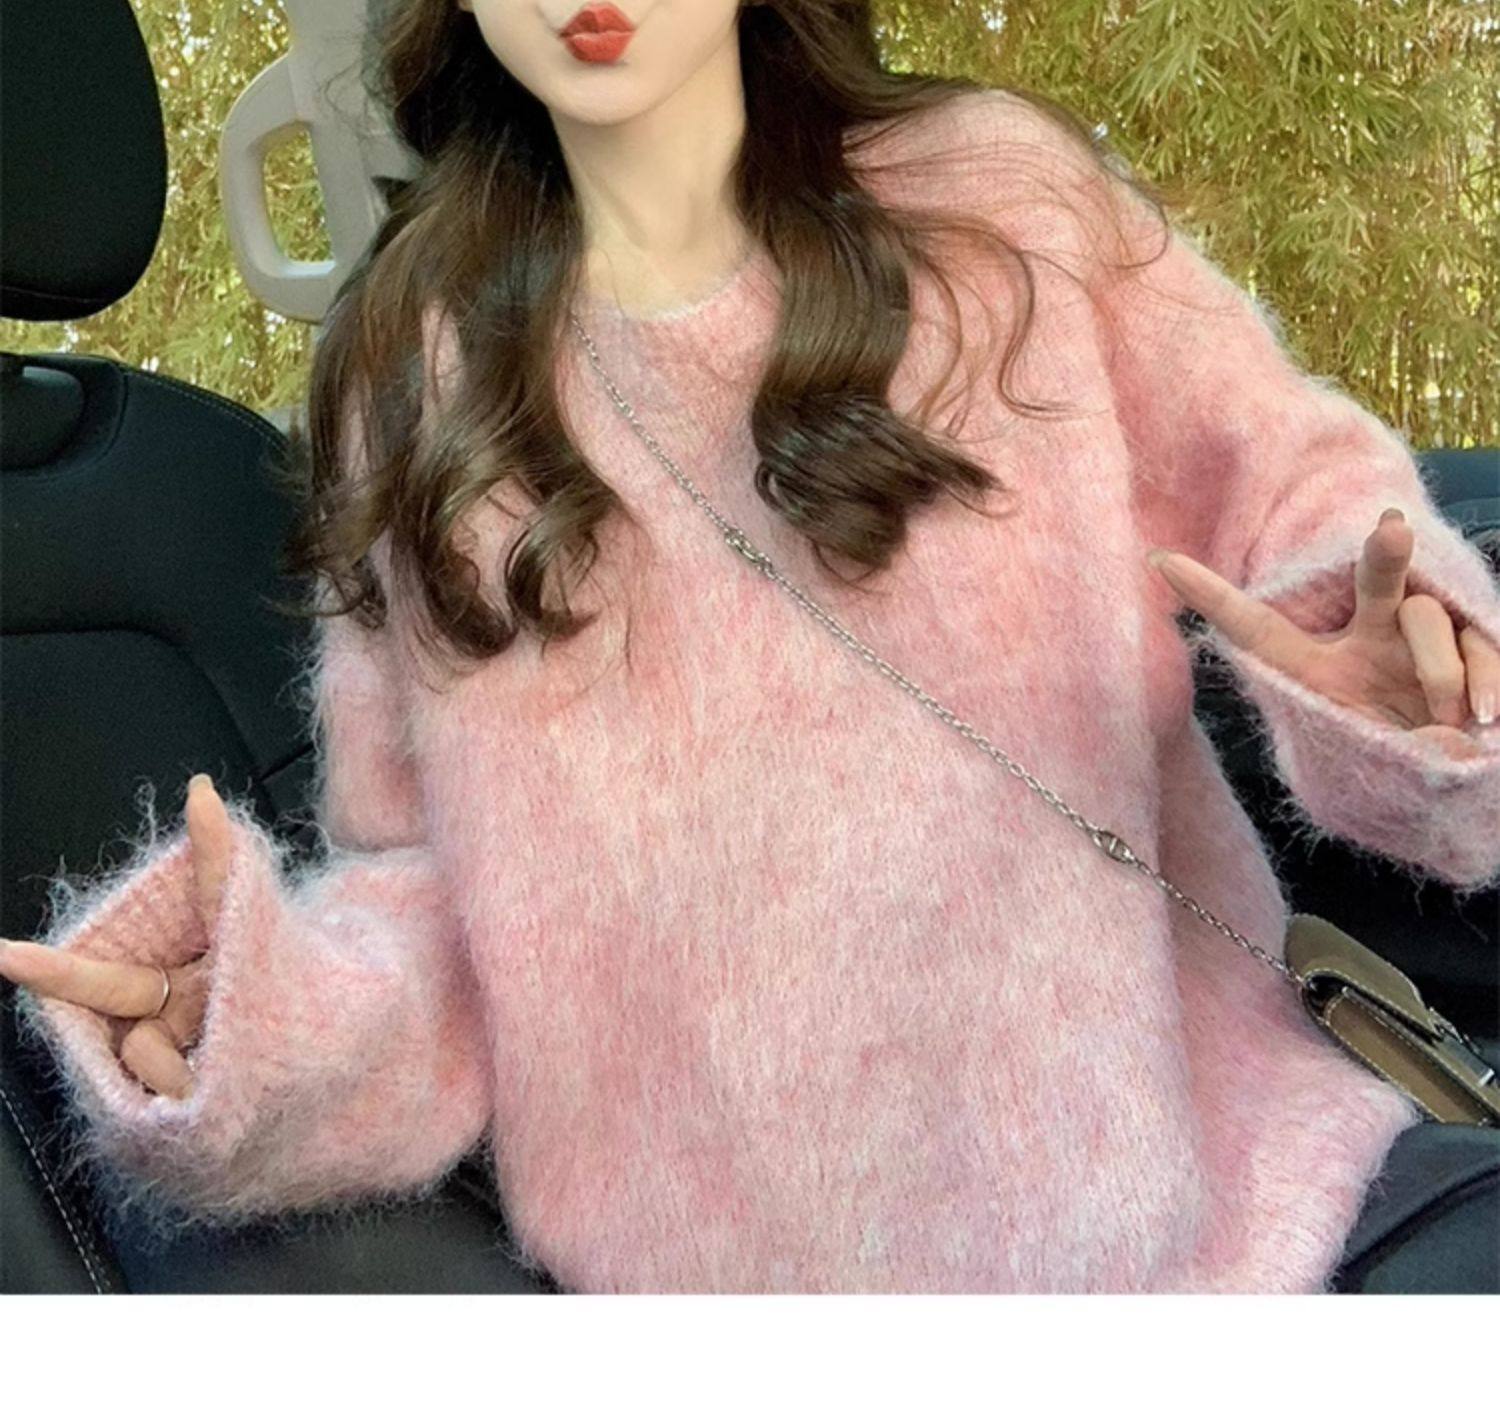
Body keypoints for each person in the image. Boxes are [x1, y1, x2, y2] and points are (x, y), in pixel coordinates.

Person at [2, 0, 1499, 1294]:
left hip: (1225, 1213)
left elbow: (1297, 490)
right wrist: (256, 1031)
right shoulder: (413, 373)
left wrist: (1396, 655)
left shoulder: (999, 208)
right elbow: (439, 914)